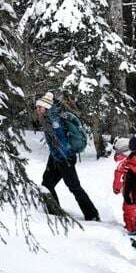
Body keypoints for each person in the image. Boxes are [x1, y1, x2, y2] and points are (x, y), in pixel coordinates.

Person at [37, 92, 100, 221]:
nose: (37, 109)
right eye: (37, 107)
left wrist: (61, 158)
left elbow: (63, 143)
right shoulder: (49, 118)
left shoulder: (54, 121)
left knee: (74, 187)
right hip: (56, 157)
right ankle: (54, 212)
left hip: (64, 159)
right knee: (47, 184)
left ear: (47, 107)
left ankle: (92, 214)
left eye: (40, 107)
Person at [112, 137, 136, 233]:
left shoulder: (123, 162)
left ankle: (132, 228)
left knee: (128, 208)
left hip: (129, 188)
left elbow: (118, 175)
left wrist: (116, 188)